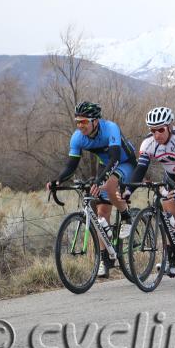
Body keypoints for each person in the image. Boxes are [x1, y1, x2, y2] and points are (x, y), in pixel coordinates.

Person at [47, 101, 137, 278]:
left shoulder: (110, 128)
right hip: (107, 165)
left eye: (84, 122)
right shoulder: (77, 137)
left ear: (95, 121)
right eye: (78, 122)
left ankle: (127, 216)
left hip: (125, 162)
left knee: (109, 185)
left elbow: (115, 157)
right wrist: (58, 180)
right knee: (101, 215)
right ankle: (106, 259)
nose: (80, 126)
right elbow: (71, 165)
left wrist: (100, 179)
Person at [122, 107, 175, 277]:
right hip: (171, 173)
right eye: (152, 130)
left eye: (160, 129)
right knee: (169, 216)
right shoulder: (148, 143)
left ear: (170, 127)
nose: (157, 134)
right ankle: (171, 259)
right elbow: (140, 169)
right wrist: (128, 190)